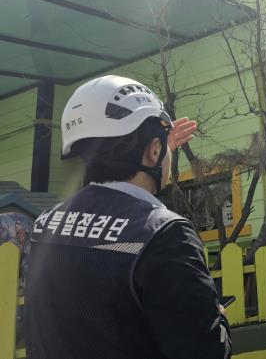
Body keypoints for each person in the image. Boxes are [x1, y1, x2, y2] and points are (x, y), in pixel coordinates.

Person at [25, 75, 231, 359]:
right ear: (154, 151)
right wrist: (219, 318)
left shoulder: (45, 224)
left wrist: (156, 151)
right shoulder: (166, 234)